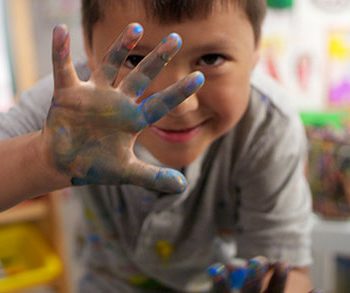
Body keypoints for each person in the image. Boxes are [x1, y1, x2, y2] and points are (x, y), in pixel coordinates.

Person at [0, 0, 314, 292]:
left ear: (256, 53)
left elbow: (287, 269)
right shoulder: (71, 103)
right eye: (136, 59)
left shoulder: (268, 129)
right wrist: (41, 158)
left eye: (211, 59)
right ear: (90, 53)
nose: (180, 106)